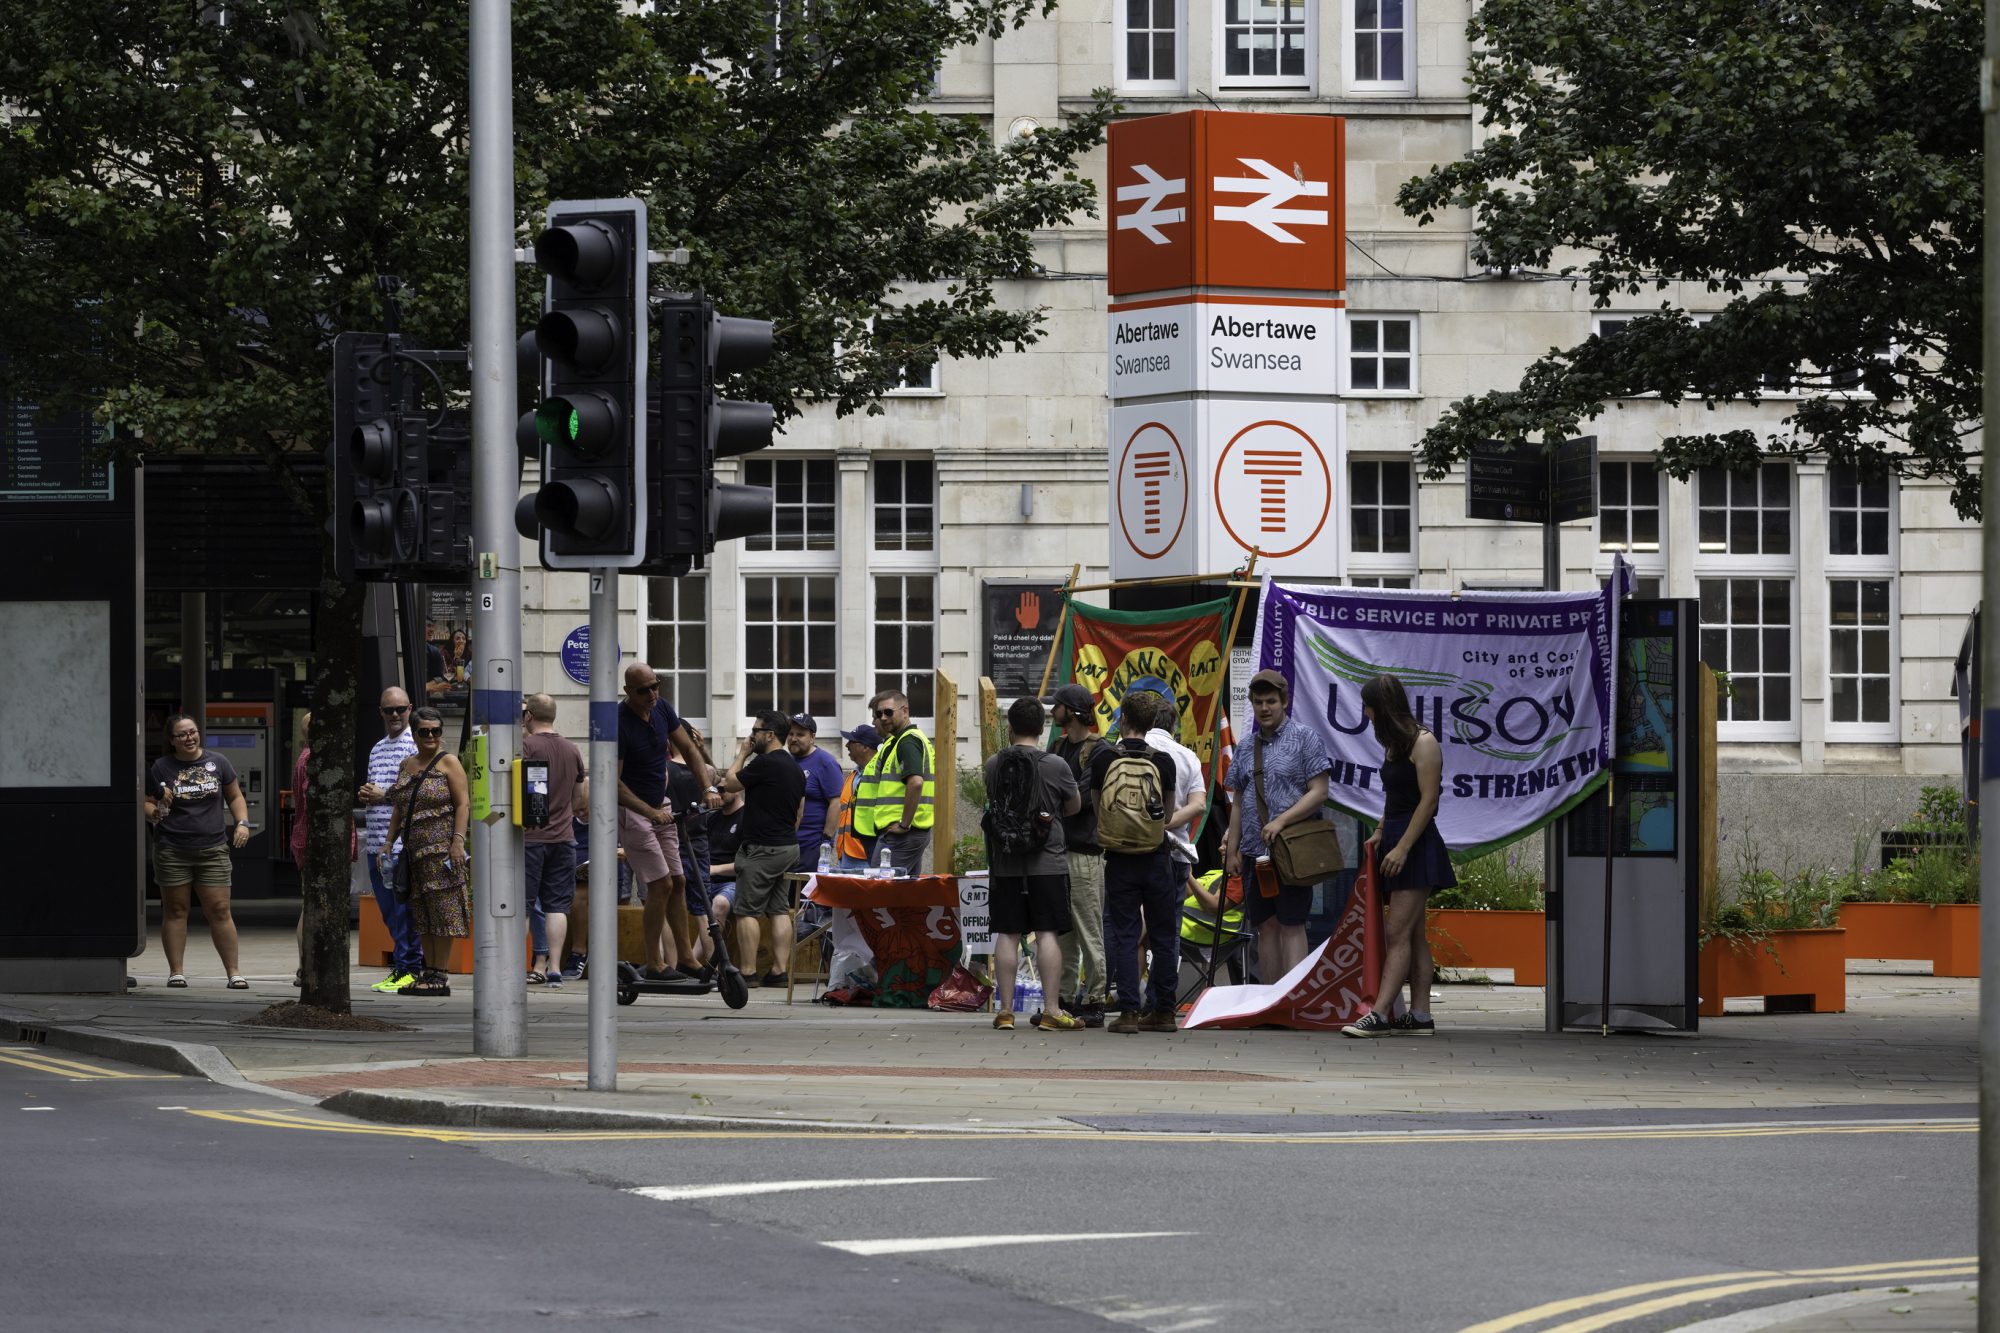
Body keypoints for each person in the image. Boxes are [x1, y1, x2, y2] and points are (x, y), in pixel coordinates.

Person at [1344, 673, 1458, 1038]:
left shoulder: (1423, 742)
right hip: (1397, 835)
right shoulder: (1395, 744)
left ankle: (1378, 1014)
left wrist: (1403, 846)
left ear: (1383, 708)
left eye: (1369, 706)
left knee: (1396, 933)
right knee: (1413, 933)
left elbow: (1429, 801)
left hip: (1415, 843)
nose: (1366, 712)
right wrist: (1380, 832)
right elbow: (1396, 799)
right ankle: (1421, 1016)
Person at [1223, 669, 1332, 985]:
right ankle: (1267, 999)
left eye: (1271, 701)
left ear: (1285, 701)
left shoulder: (1305, 738)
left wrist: (1282, 821)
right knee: (1265, 926)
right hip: (1254, 854)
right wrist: (1232, 851)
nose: (1264, 708)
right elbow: (1239, 802)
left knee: (1292, 923)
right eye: (1258, 702)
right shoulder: (1246, 746)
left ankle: (1293, 998)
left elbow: (1320, 791)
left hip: (1293, 850)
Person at [983, 696, 1083, 1032]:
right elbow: (1074, 807)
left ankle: (1006, 1011)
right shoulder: (1055, 765)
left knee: (1008, 934)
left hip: (1006, 860)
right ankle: (1052, 1010)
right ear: (1043, 728)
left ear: (1009, 728)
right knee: (1047, 933)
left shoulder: (994, 764)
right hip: (1048, 862)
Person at [1088, 704, 1182, 1034]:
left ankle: (1128, 1013)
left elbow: (1099, 809)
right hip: (1156, 858)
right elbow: (1168, 815)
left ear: (1123, 719)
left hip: (1119, 859)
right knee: (1164, 936)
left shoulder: (1103, 759)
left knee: (1126, 935)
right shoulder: (1163, 761)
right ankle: (1165, 1013)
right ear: (1152, 722)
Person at [144, 713, 250, 989]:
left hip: (212, 848)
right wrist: (154, 811)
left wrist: (242, 823)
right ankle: (176, 972)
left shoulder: (218, 762)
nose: (189, 738)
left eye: (192, 732)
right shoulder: (161, 767)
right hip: (172, 848)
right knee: (176, 909)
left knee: (220, 909)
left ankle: (234, 972)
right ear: (171, 741)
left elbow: (235, 796)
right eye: (181, 735)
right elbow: (144, 802)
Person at [616, 661, 707, 981]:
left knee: (679, 881)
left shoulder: (662, 708)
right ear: (629, 691)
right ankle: (654, 962)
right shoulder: (619, 721)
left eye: (656, 686)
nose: (653, 693)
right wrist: (648, 812)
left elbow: (689, 748)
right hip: (635, 811)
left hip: (661, 806)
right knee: (660, 884)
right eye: (645, 690)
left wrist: (707, 787)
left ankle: (685, 957)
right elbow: (614, 784)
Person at [380, 706, 472, 997]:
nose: (431, 736)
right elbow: (399, 807)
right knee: (422, 911)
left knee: (443, 911)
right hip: (414, 852)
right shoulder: (406, 764)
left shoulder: (449, 763)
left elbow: (463, 804)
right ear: (415, 734)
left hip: (442, 852)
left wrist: (458, 841)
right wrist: (389, 840)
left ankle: (439, 974)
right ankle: (427, 970)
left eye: (436, 731)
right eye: (425, 731)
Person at [721, 710, 806, 988]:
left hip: (761, 849)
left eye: (756, 730)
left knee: (747, 911)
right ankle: (780, 971)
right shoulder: (795, 767)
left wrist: (743, 754)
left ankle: (747, 972)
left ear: (770, 735)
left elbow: (728, 784)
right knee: (779, 909)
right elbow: (799, 812)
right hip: (787, 847)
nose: (751, 736)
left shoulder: (765, 763)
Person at [357, 687, 424, 991]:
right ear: (380, 712)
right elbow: (380, 789)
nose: (395, 715)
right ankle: (403, 967)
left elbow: (418, 794)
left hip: (401, 845)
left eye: (400, 709)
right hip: (377, 844)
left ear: (410, 709)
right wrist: (368, 795)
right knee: (389, 912)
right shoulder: (377, 748)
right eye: (389, 710)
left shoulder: (417, 746)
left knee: (403, 911)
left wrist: (383, 795)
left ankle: (410, 968)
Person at [1047, 684, 1107, 1026]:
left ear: (1071, 711)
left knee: (1088, 929)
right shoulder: (1056, 746)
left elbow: (1079, 801)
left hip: (1085, 853)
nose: (1053, 711)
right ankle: (1066, 998)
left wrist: (1053, 805)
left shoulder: (1098, 751)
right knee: (1062, 932)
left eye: (1058, 706)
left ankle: (1097, 998)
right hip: (1058, 851)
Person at [522, 694, 587, 990]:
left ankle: (513, 966)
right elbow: (578, 799)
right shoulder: (573, 750)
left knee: (521, 905)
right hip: (564, 838)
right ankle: (556, 969)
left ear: (528, 716)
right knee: (557, 906)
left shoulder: (525, 746)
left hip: (530, 838)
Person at [853, 691, 934, 875]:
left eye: (888, 712)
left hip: (902, 834)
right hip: (908, 832)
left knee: (881, 890)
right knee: (905, 895)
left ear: (904, 711)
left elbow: (916, 783)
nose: (883, 718)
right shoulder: (901, 741)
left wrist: (904, 824)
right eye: (879, 714)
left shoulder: (907, 742)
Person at [787, 713, 845, 871]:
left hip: (812, 845)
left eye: (800, 734)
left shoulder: (826, 763)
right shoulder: (786, 761)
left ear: (812, 737)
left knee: (806, 893)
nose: (793, 738)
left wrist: (825, 840)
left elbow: (836, 803)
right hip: (786, 844)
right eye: (790, 733)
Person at [828, 723, 881, 871]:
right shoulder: (852, 775)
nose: (847, 746)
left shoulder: (880, 775)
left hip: (866, 854)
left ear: (865, 747)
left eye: (852, 742)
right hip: (846, 853)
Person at [706, 782, 746, 929]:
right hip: (707, 881)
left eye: (722, 789)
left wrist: (714, 869)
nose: (717, 793)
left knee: (720, 903)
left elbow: (749, 863)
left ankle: (694, 953)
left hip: (734, 883)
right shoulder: (712, 818)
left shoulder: (747, 817)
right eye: (715, 790)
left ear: (737, 790)